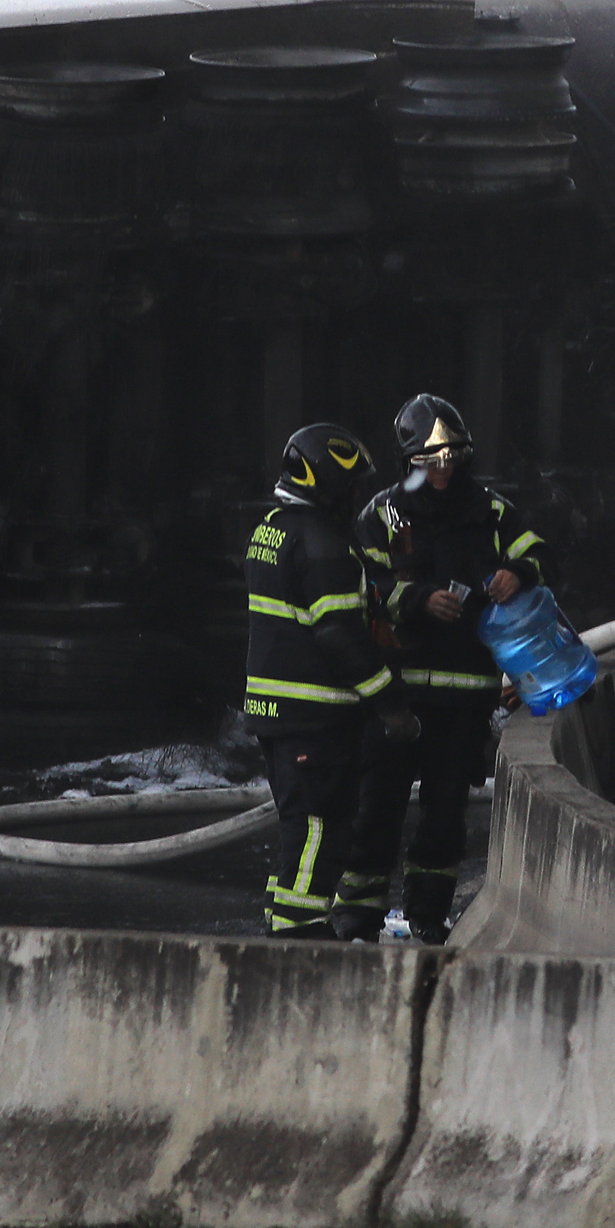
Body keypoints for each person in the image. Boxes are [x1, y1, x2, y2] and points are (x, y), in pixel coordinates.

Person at [355, 395, 548, 947]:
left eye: (450, 460)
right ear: (408, 462)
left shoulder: (490, 512)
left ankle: (429, 914)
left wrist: (516, 571)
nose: (441, 472)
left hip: (464, 696)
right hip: (397, 696)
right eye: (429, 463)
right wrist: (416, 600)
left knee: (444, 819)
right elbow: (364, 586)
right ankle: (358, 916)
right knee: (377, 810)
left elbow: (538, 551)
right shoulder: (382, 515)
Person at [243, 419, 397, 940]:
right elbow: (339, 637)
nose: (357, 497)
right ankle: (299, 934)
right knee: (319, 829)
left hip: (276, 711)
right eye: (350, 487)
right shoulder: (323, 543)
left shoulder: (271, 529)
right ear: (326, 485)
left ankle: (283, 919)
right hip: (315, 715)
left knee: (297, 829)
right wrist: (388, 701)